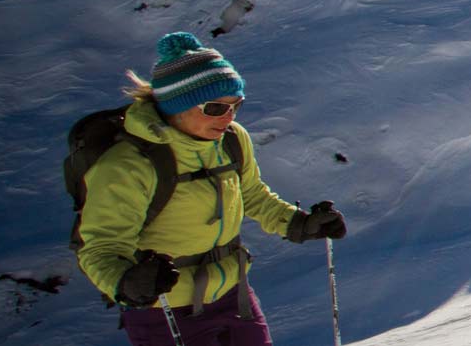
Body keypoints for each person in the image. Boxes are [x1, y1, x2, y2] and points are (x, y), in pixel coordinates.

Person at [74, 32, 349, 346]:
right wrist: (126, 283)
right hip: (165, 310)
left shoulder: (231, 139)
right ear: (177, 106)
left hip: (235, 294)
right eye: (216, 108)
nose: (229, 117)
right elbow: (99, 247)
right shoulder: (129, 164)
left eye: (236, 105)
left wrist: (299, 223)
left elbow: (252, 195)